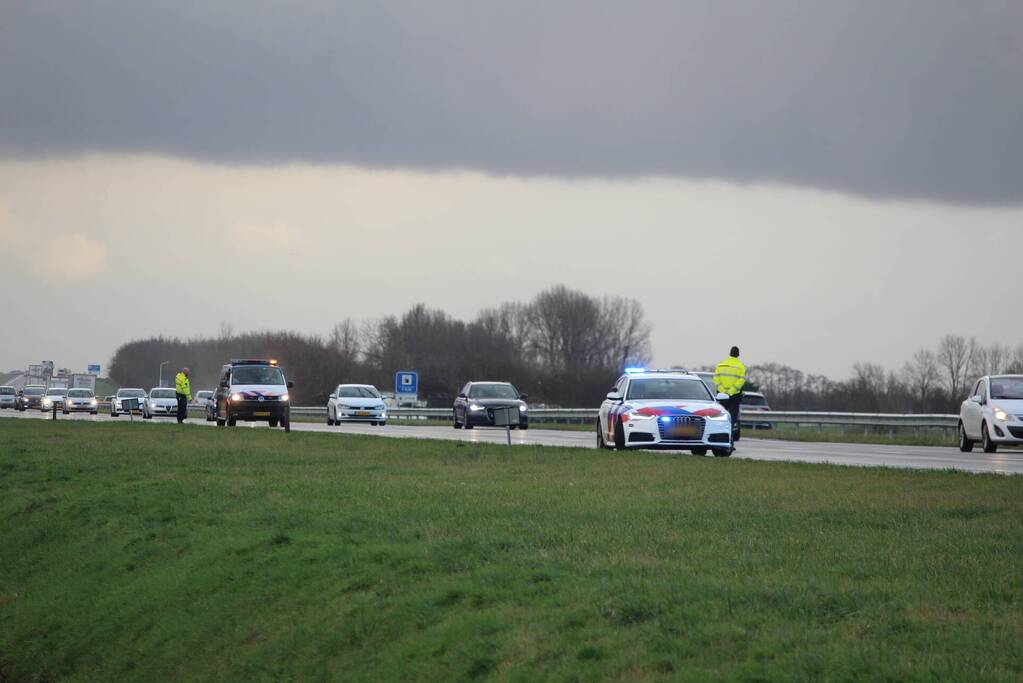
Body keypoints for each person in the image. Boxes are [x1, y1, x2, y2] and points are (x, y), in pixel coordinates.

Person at [714, 346, 747, 443]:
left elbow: (716, 378)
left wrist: (723, 390)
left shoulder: (721, 364)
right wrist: (731, 391)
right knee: (732, 420)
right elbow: (741, 381)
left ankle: (718, 438)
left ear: (729, 353)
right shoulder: (741, 366)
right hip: (734, 397)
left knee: (719, 418)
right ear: (738, 354)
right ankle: (729, 441)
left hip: (722, 396)